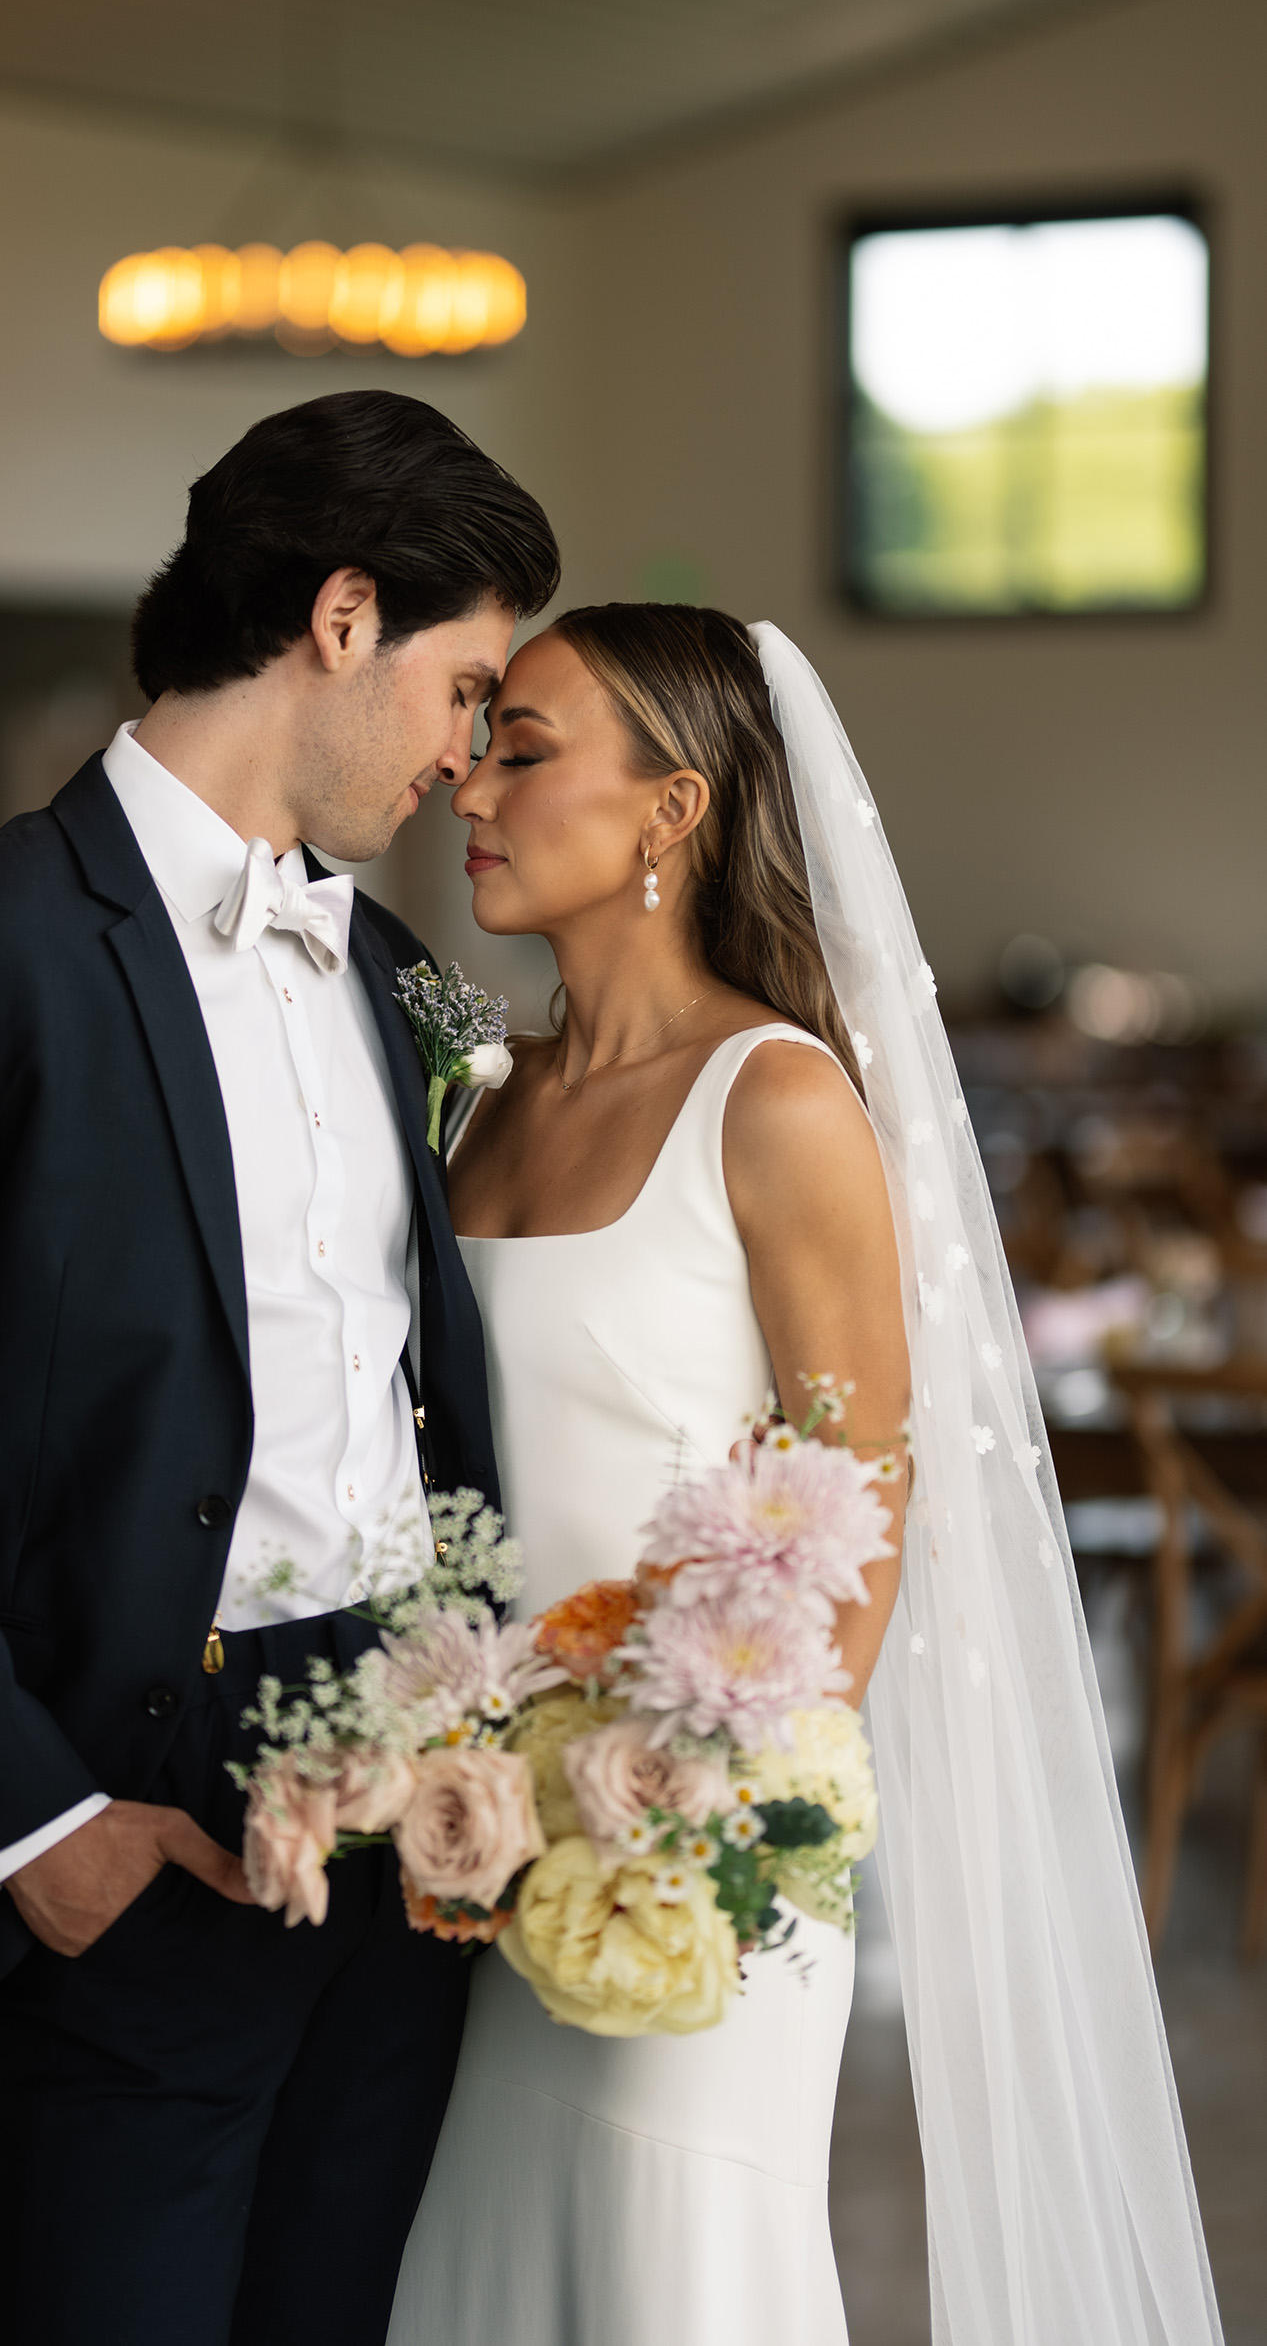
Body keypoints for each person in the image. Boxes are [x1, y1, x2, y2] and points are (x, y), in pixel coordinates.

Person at [0, 389, 560, 2346]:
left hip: (408, 1814)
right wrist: (41, 1821)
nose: (467, 757)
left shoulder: (383, 971)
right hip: (133, 1797)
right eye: (467, 688)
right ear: (345, 618)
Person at [389, 605, 1223, 2346]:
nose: (467, 780)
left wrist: (703, 1838)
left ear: (670, 811)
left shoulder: (774, 1103)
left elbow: (863, 1499)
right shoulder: (482, 1098)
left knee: (673, 2280)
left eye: (524, 749)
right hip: (467, 1840)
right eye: (477, 740)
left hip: (696, 1857)